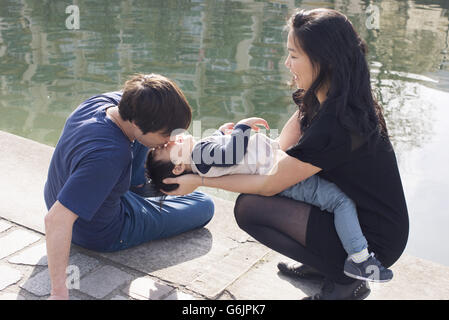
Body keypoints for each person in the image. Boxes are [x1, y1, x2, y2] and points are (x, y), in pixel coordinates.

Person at [161, 8, 409, 300]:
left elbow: (270, 182)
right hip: (351, 214)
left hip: (373, 241)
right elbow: (279, 150)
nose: (286, 63)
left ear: (324, 61)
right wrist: (224, 148)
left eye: (293, 55)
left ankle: (346, 278)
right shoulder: (325, 98)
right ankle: (325, 263)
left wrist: (199, 182)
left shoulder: (337, 123)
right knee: (266, 193)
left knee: (250, 208)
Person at [147, 115, 393, 283]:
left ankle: (338, 256)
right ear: (179, 168)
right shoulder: (200, 154)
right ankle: (360, 259)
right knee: (339, 202)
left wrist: (223, 132)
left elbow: (221, 155)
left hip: (275, 165)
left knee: (331, 199)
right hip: (282, 176)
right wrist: (243, 127)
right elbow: (231, 154)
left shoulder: (200, 155)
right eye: (165, 148)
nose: (169, 140)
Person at [43, 74, 215, 300]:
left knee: (148, 148)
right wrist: (59, 293)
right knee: (204, 204)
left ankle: (141, 184)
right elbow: (56, 220)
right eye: (166, 135)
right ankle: (148, 190)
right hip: (100, 229)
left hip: (67, 191)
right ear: (136, 123)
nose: (170, 140)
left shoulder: (108, 103)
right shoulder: (110, 156)